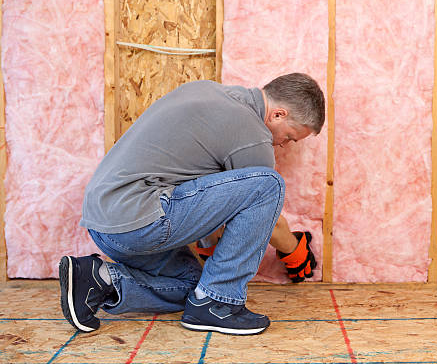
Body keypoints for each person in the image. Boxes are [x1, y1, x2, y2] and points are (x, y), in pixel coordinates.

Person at [59, 73, 324, 336]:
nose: (283, 144)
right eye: (290, 137)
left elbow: (209, 191)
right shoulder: (251, 131)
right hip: (139, 222)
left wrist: (214, 248)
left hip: (106, 226)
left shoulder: (205, 92)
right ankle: (219, 303)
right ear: (277, 114)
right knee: (269, 184)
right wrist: (295, 252)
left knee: (195, 288)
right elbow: (270, 218)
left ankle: (99, 279)